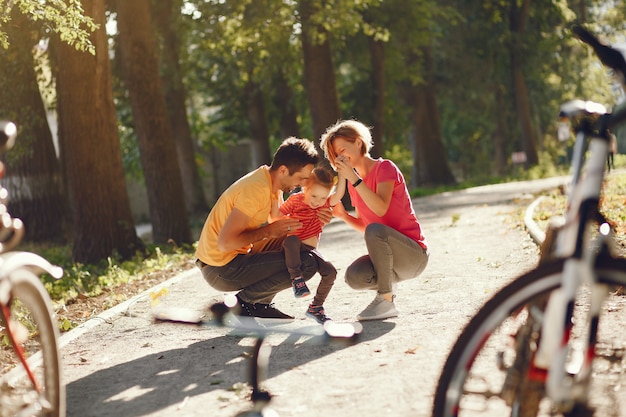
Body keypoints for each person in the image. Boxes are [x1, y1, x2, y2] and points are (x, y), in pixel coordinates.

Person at [195, 137, 331, 320]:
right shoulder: (256, 189)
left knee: (297, 244)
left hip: (230, 260)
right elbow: (225, 243)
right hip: (221, 269)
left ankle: (258, 305)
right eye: (301, 178)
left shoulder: (271, 184)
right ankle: (241, 306)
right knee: (307, 264)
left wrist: (318, 218)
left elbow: (284, 225)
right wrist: (269, 231)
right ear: (283, 170)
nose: (302, 184)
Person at [320, 119, 429, 321]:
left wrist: (353, 179)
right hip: (390, 258)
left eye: (343, 149)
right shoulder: (355, 186)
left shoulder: (385, 168)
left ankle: (386, 300)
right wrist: (343, 216)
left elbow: (380, 207)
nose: (340, 157)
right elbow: (366, 226)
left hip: (414, 255)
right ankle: (388, 284)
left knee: (376, 231)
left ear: (359, 143)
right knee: (354, 276)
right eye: (336, 155)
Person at [272, 166, 346, 324]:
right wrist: (276, 193)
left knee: (331, 272)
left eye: (322, 197)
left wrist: (342, 173)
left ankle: (316, 307)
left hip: (311, 249)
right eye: (314, 196)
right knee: (291, 240)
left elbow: (339, 193)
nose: (317, 201)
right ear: (305, 187)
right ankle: (296, 279)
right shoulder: (295, 200)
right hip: (294, 246)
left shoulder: (324, 204)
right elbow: (277, 215)